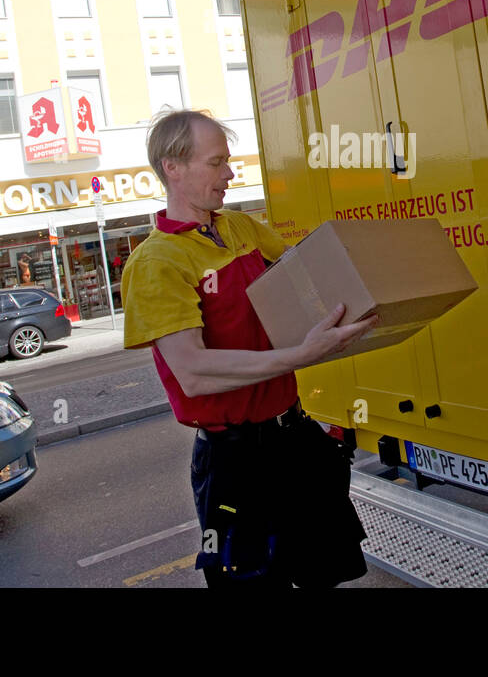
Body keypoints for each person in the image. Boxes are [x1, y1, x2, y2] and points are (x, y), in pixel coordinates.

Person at [122, 109, 378, 587]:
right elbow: (193, 372)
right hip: (235, 464)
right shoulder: (156, 263)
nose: (229, 173)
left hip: (294, 440)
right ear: (173, 167)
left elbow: (307, 279)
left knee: (325, 572)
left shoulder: (241, 228)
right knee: (249, 579)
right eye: (217, 162)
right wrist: (302, 355)